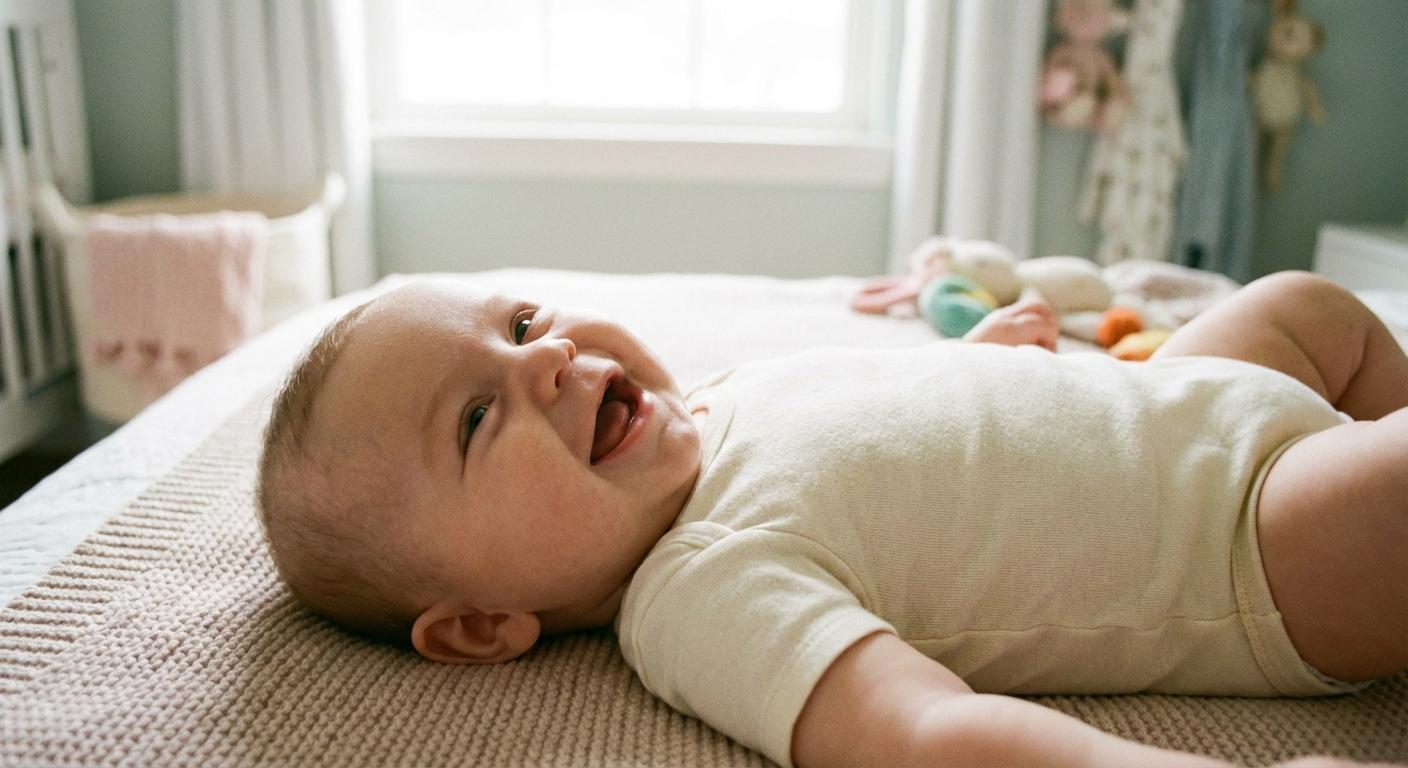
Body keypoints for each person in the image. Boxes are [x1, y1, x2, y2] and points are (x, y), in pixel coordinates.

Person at [256, 271, 1407, 768]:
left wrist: (976, 373)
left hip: (1174, 404)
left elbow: (887, 440)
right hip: (1249, 533)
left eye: (519, 324)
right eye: (471, 420)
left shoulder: (711, 404)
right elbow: (925, 738)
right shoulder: (702, 584)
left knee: (1303, 309)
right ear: (479, 624)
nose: (549, 357)